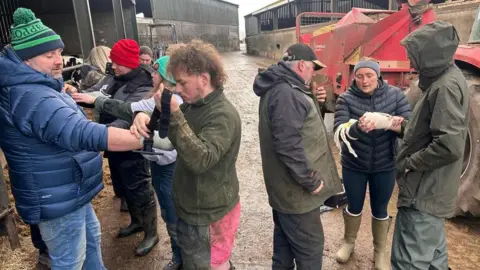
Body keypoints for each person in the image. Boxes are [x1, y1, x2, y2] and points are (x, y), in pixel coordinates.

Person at [0, 8, 153, 269]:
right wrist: (151, 141)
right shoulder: (30, 96)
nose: (59, 60)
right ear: (25, 61)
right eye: (49, 55)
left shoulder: (40, 86)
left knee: (91, 245)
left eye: (59, 52)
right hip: (57, 197)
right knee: (69, 261)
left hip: (70, 190)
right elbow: (81, 131)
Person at [131, 40, 241, 270]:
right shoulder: (194, 106)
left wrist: (175, 117)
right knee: (196, 260)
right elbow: (171, 138)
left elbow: (201, 159)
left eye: (182, 83)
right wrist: (142, 114)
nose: (177, 89)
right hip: (191, 206)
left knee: (209, 265)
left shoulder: (222, 115)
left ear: (203, 78)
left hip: (209, 213)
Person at [72, 56, 183, 270]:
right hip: (158, 165)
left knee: (173, 215)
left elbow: (168, 141)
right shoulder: (155, 96)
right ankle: (178, 256)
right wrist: (96, 101)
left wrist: (131, 136)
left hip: (170, 167)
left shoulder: (174, 101)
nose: (151, 74)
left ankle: (181, 258)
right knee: (167, 212)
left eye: (155, 71)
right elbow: (129, 108)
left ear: (165, 77)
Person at [253, 43, 344, 269]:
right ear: (302, 64)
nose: (314, 73)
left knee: (284, 250)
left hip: (286, 192)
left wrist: (314, 100)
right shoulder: (287, 94)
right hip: (296, 195)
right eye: (313, 68)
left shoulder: (286, 88)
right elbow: (288, 145)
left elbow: (300, 129)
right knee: (310, 251)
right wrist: (310, 181)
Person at [390, 21, 468, 270]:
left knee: (408, 261)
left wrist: (411, 164)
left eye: (414, 56)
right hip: (432, 193)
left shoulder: (444, 87)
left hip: (423, 194)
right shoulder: (445, 78)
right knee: (434, 258)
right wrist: (404, 126)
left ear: (429, 55)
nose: (411, 63)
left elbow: (449, 144)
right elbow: (432, 129)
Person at [332, 57, 411, 270]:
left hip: (384, 164)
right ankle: (349, 242)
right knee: (354, 205)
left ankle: (380, 251)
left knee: (380, 208)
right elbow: (338, 130)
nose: (364, 81)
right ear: (354, 77)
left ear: (378, 76)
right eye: (359, 76)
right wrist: (358, 128)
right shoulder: (346, 99)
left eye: (369, 75)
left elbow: (409, 126)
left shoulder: (395, 96)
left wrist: (396, 126)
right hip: (354, 165)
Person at [90, 38, 159, 257]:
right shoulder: (115, 78)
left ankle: (151, 232)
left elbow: (130, 115)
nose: (113, 66)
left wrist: (102, 132)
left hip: (131, 144)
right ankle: (136, 222)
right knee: (124, 187)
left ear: (130, 62)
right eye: (113, 61)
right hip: (113, 142)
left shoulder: (145, 84)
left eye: (118, 62)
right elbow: (97, 92)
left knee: (140, 187)